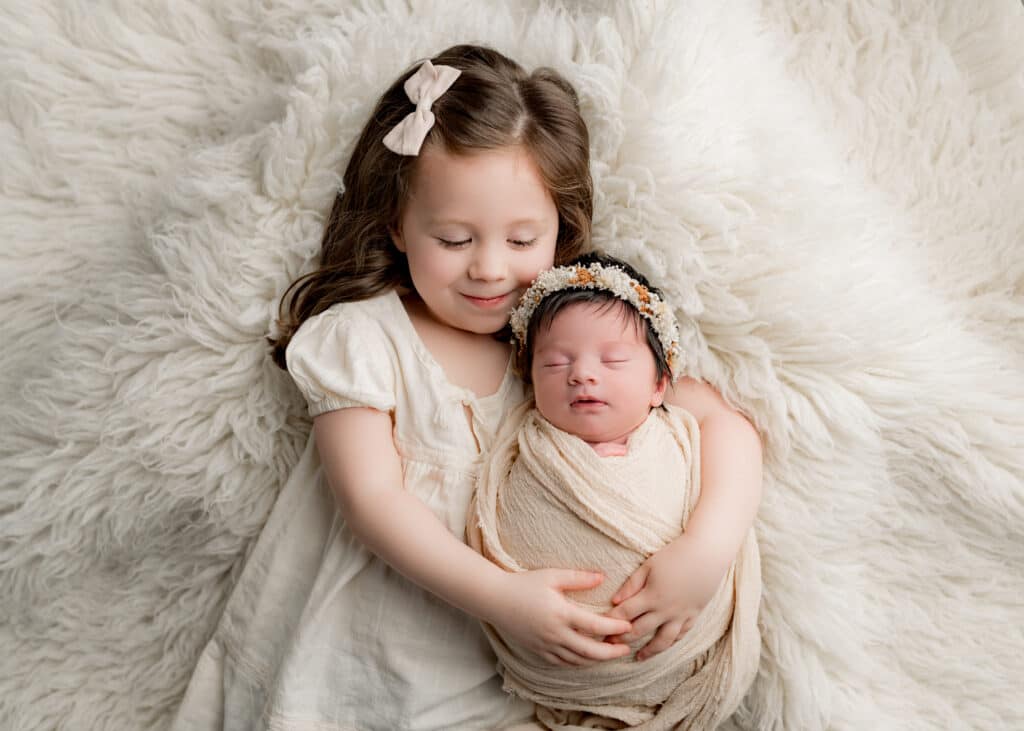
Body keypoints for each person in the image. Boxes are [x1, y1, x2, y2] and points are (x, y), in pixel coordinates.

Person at [171, 42, 762, 731]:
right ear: (397, 224)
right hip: (370, 655)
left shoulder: (559, 350)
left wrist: (705, 550)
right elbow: (370, 499)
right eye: (454, 238)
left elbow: (723, 423)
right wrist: (505, 598)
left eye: (521, 240)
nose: (488, 269)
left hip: (506, 681)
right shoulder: (365, 338)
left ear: (560, 231)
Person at [468, 253, 761, 729]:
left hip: (684, 658)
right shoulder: (526, 447)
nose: (581, 373)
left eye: (614, 360)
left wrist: (704, 551)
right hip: (552, 672)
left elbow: (736, 433)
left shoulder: (674, 427)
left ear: (660, 383)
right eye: (555, 361)